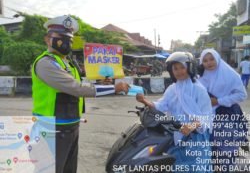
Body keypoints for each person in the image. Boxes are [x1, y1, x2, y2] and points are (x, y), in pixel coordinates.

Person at [31, 15, 130, 173]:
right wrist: (114, 88)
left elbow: (80, 84)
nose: (66, 42)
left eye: (69, 39)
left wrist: (101, 84)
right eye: (60, 38)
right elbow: (76, 88)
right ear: (47, 39)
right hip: (50, 128)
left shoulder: (66, 63)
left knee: (68, 169)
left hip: (70, 125)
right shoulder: (46, 63)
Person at [136, 52, 213, 172]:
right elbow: (162, 105)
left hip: (196, 139)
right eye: (175, 68)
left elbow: (207, 116)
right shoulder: (172, 89)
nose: (179, 71)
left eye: (182, 67)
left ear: (190, 67)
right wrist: (144, 101)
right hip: (176, 136)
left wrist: (192, 125)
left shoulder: (199, 90)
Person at [198, 49, 248, 172]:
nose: (209, 63)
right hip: (207, 117)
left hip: (226, 114)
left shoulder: (230, 74)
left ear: (217, 58)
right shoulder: (199, 76)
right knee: (210, 148)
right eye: (205, 60)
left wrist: (219, 100)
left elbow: (242, 95)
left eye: (211, 59)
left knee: (227, 149)